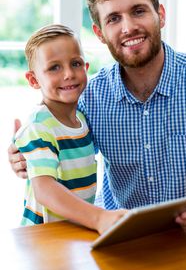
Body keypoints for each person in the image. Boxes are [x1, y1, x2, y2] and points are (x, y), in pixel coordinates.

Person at [9, 0, 186, 236]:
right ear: (100, 33)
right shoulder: (90, 95)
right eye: (114, 19)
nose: (128, 27)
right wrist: (23, 154)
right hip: (121, 239)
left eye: (138, 11)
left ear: (160, 15)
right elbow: (52, 133)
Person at [13, 24, 125, 232]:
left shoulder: (82, 120)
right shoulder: (39, 126)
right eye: (54, 67)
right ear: (33, 79)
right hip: (42, 237)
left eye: (75, 63)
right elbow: (44, 189)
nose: (68, 74)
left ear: (86, 67)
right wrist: (99, 218)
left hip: (75, 231)